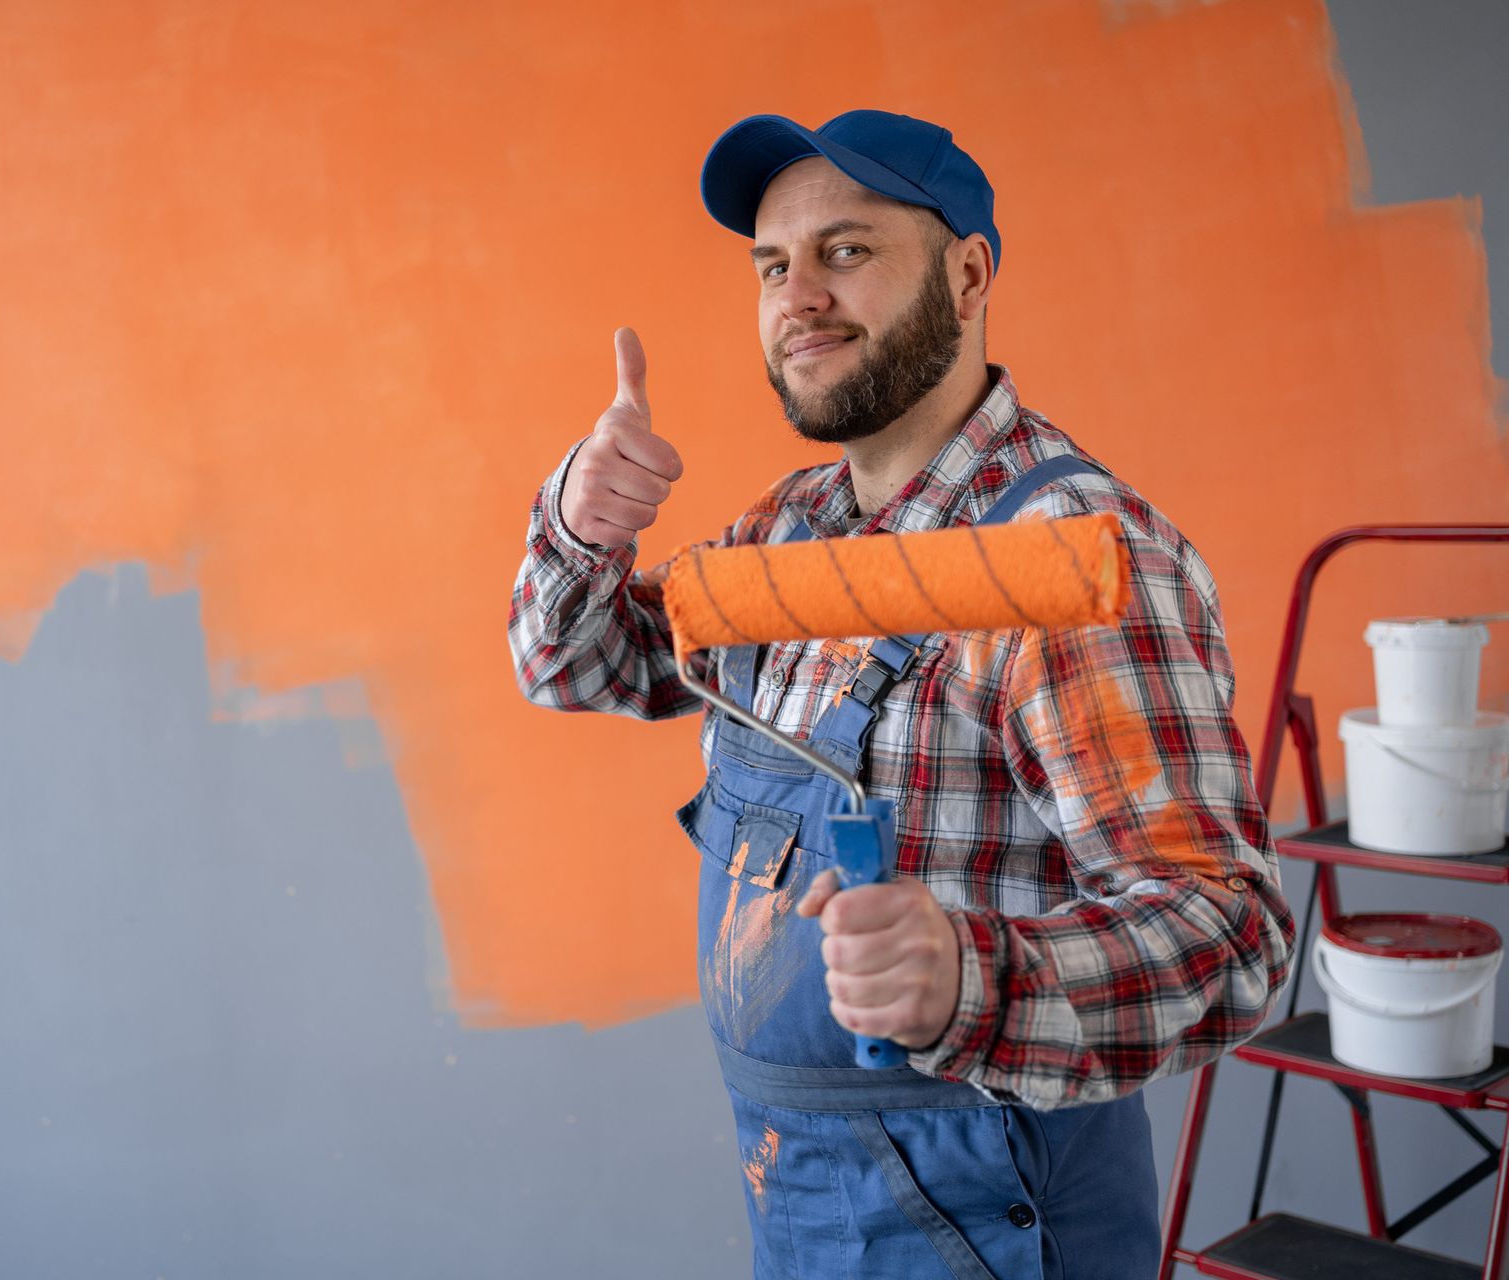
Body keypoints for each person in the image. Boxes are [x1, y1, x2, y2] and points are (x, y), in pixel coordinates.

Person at [507, 109, 1294, 1279]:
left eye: (848, 250)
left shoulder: (1071, 560)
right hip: (807, 1201)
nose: (798, 296)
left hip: (994, 1214)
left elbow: (1234, 936)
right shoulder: (793, 527)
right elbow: (580, 665)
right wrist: (581, 524)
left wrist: (976, 979)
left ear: (969, 272)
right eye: (773, 264)